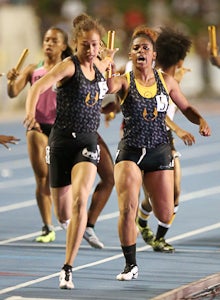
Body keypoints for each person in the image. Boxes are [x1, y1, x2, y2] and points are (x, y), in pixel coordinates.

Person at [106, 25, 211, 281]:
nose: (140, 51)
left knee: (165, 213)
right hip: (131, 150)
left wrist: (200, 121)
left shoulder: (167, 81)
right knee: (127, 207)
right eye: (135, 48)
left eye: (146, 48)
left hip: (159, 151)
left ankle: (147, 222)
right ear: (130, 55)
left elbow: (185, 107)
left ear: (154, 55)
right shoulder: (124, 79)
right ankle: (130, 264)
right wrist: (106, 62)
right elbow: (108, 86)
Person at [23, 13, 114, 289]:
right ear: (76, 44)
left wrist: (108, 63)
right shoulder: (69, 66)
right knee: (63, 213)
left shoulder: (100, 63)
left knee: (79, 201)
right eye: (85, 45)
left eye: (95, 45)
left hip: (88, 141)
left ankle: (67, 268)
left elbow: (107, 80)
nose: (91, 50)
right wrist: (30, 114)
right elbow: (38, 86)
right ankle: (68, 223)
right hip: (61, 142)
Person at [7, 27, 73, 243]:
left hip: (62, 129)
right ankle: (47, 226)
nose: (49, 44)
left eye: (54, 41)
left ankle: (69, 218)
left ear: (63, 46)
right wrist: (10, 81)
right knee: (42, 177)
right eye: (46, 40)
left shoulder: (69, 68)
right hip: (37, 127)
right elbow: (13, 92)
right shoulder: (32, 69)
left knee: (62, 178)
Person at [136, 27, 195, 253]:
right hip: (141, 137)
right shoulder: (151, 77)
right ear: (180, 61)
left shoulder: (172, 80)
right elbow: (159, 113)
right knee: (155, 194)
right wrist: (180, 130)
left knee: (175, 190)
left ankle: (159, 236)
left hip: (164, 139)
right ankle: (141, 221)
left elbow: (172, 110)